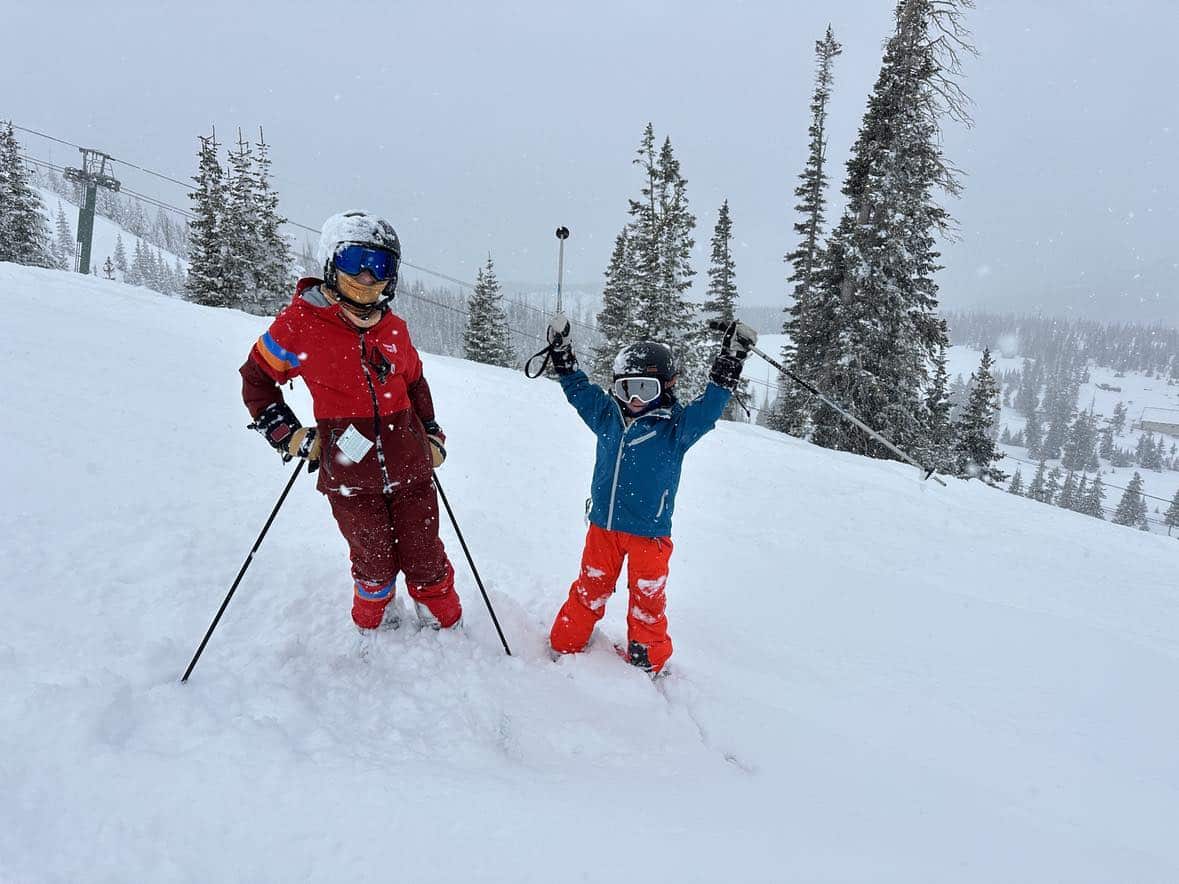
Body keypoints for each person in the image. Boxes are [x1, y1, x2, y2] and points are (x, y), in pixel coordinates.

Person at [239, 211, 462, 634]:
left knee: (426, 554)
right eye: (354, 261)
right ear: (330, 263)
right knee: (373, 558)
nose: (366, 276)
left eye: (380, 266)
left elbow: (415, 383)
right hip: (348, 472)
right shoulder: (301, 324)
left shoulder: (395, 328)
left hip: (411, 464)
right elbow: (257, 379)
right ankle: (376, 622)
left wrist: (431, 434)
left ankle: (443, 623)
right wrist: (291, 436)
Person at [544, 315, 757, 675]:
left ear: (667, 386)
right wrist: (562, 354)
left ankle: (647, 660)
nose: (637, 399)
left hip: (650, 535)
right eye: (628, 389)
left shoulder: (675, 428)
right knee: (590, 589)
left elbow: (709, 408)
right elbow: (578, 391)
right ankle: (566, 643)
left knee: (647, 599)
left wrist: (729, 361)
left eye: (646, 388)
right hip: (604, 529)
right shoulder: (607, 416)